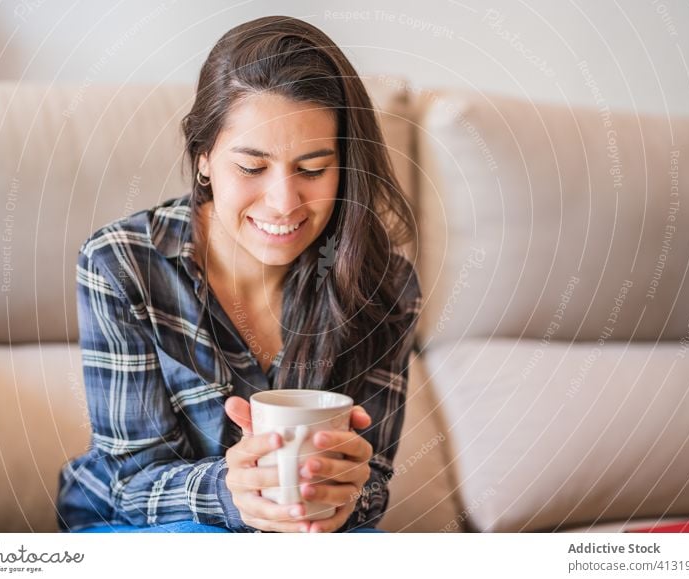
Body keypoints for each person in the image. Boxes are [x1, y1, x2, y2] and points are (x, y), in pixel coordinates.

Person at [56, 14, 421, 534]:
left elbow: (374, 478)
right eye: (252, 168)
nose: (283, 202)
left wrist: (348, 491)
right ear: (204, 158)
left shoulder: (383, 283)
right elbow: (129, 483)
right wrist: (233, 491)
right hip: (143, 524)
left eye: (313, 168)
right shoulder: (122, 264)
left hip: (303, 531)